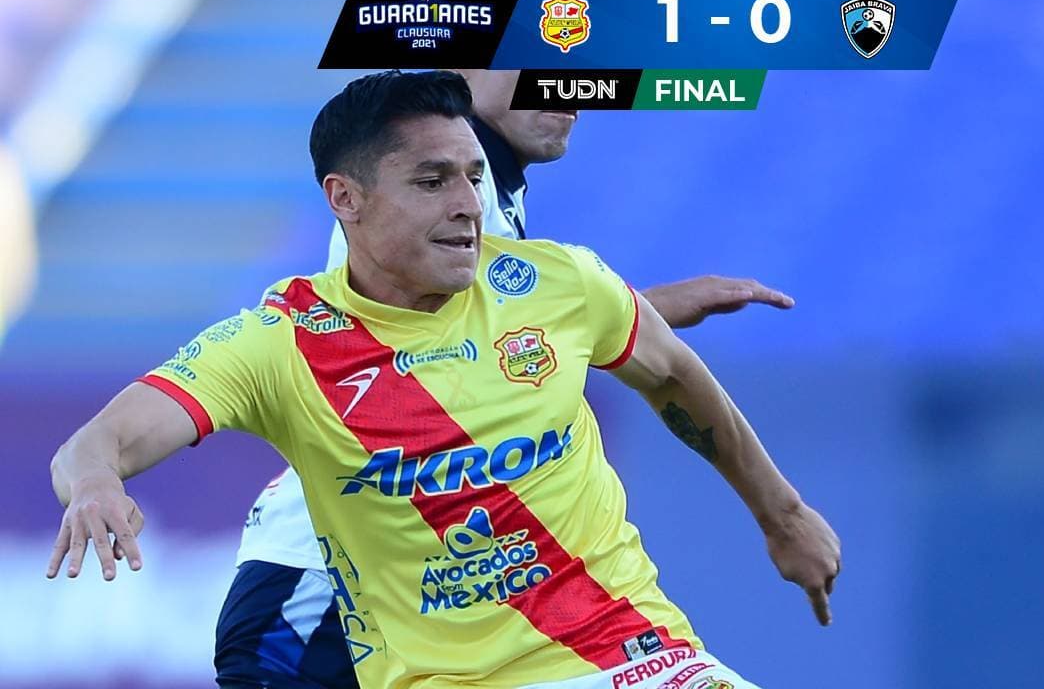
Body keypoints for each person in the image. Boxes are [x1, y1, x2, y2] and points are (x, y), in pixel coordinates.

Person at [48, 71, 840, 689]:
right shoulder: (280, 341)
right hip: (345, 617)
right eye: (435, 182)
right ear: (345, 199)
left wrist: (784, 514)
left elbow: (669, 373)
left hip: (636, 656)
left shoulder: (559, 281)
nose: (467, 205)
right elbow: (100, 440)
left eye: (472, 178)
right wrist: (93, 483)